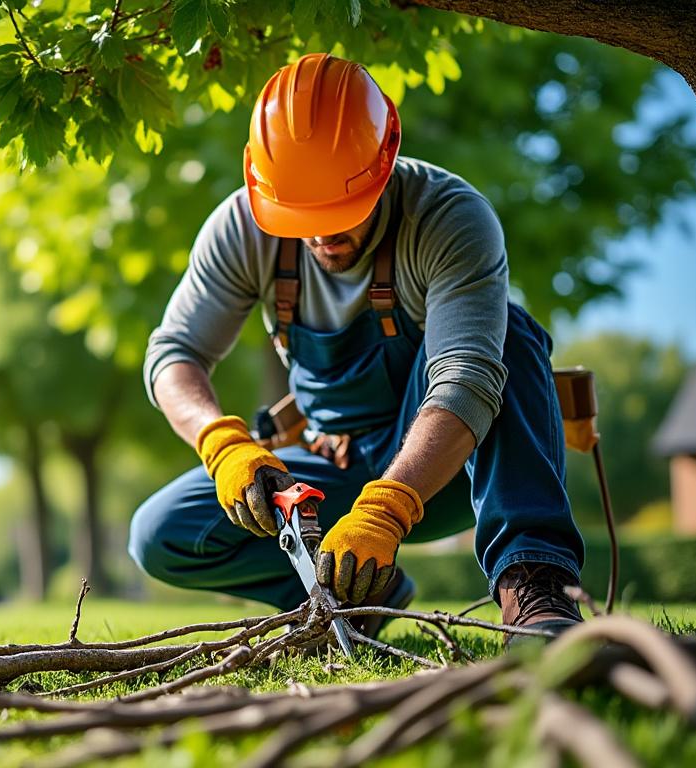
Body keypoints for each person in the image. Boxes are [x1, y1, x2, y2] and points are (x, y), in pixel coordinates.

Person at [129, 53, 586, 639]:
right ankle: (350, 596)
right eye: (300, 214)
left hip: (449, 469)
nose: (322, 233)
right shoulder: (241, 229)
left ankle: (535, 583)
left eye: (342, 209)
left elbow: (466, 380)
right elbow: (174, 355)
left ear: (385, 161)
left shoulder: (449, 218)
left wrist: (387, 508)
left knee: (510, 334)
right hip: (332, 469)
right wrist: (222, 444)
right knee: (161, 534)